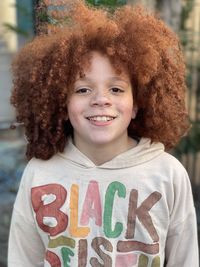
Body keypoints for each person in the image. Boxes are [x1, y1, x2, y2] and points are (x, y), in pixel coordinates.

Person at [8, 1, 199, 266]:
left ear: (137, 104)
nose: (101, 99)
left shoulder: (167, 174)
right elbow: (23, 258)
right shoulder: (39, 173)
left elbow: (185, 259)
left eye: (116, 89)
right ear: (61, 102)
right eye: (83, 89)